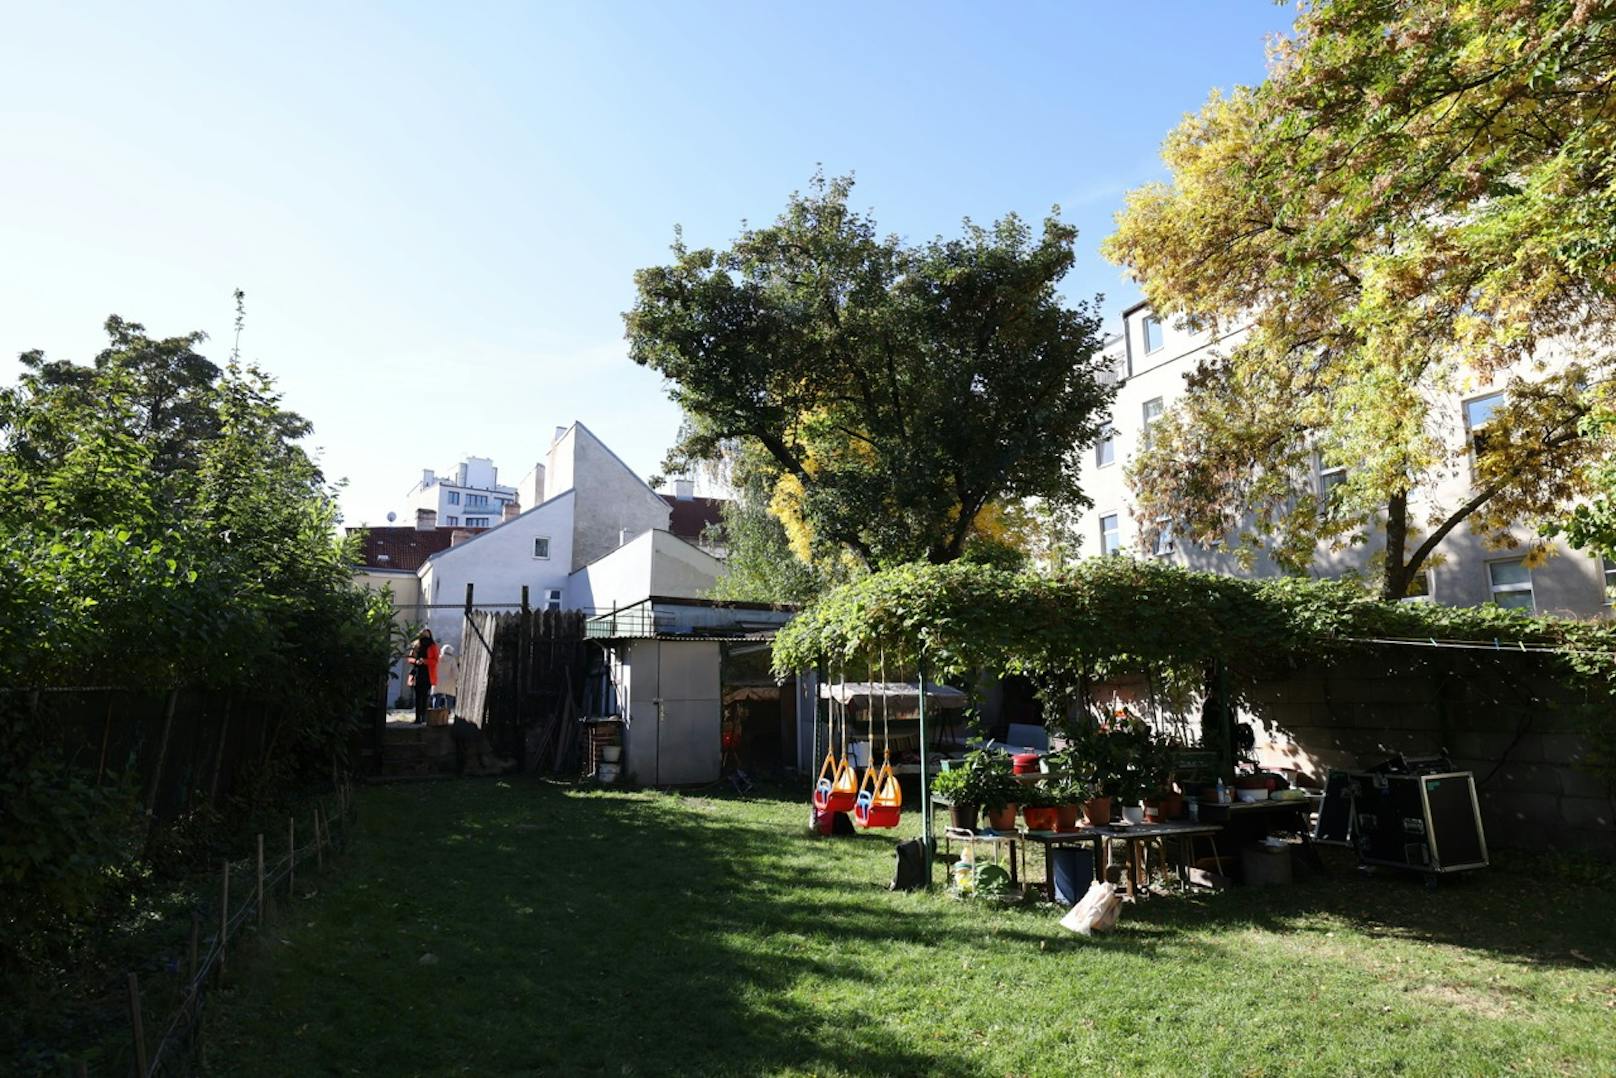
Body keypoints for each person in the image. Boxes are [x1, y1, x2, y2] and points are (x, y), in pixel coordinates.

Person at [405, 629, 440, 725]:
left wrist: (424, 661)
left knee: (424, 696)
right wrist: (416, 661)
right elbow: (409, 658)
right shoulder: (416, 645)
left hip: (427, 673)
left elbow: (435, 661)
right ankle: (418, 718)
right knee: (418, 696)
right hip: (417, 672)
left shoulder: (432, 646)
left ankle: (423, 717)